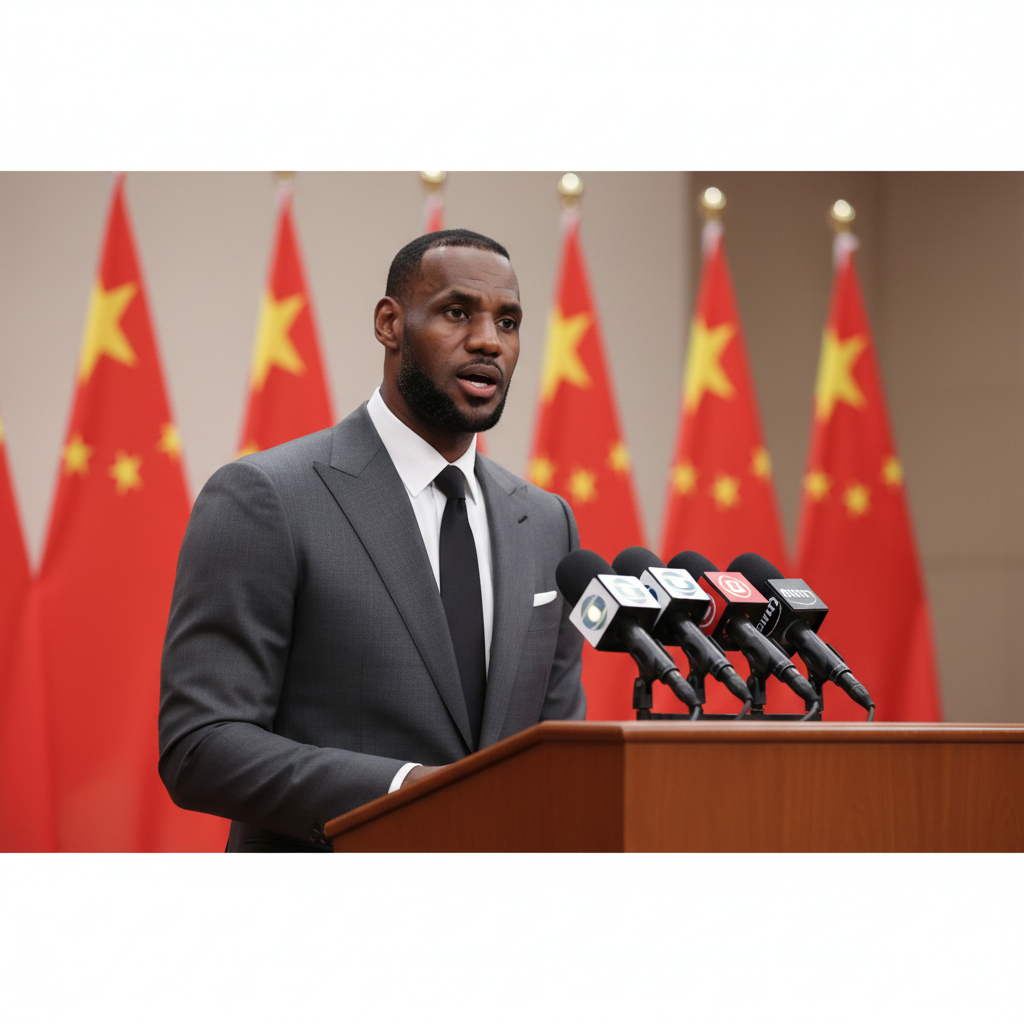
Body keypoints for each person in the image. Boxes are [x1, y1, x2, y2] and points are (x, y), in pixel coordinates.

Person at [159, 229, 586, 852]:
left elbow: (555, 750)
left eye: (510, 321)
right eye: (457, 312)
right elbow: (201, 744)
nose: (489, 341)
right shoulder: (264, 497)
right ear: (390, 323)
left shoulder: (547, 523)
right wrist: (407, 788)